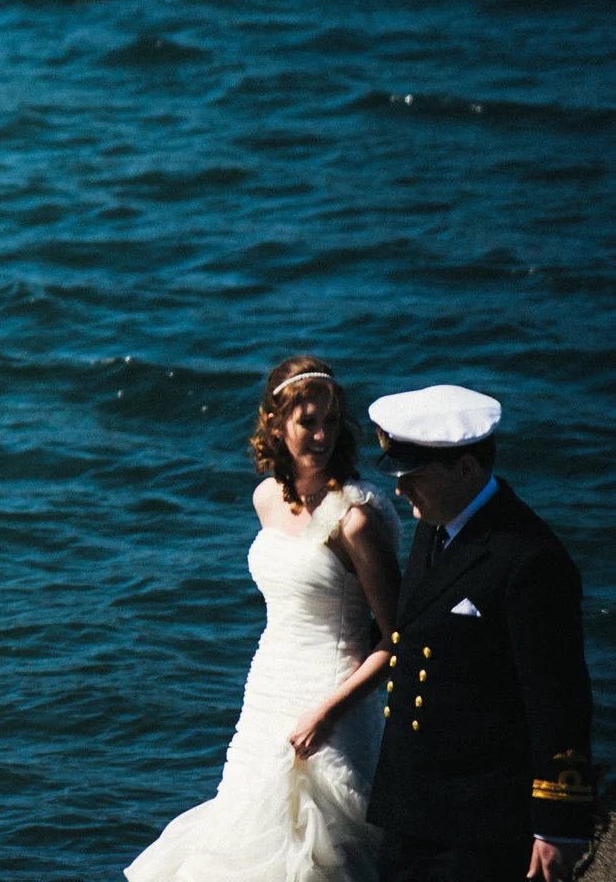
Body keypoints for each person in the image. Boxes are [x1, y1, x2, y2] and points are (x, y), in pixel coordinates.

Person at [129, 355, 402, 882]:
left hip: (332, 702)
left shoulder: (355, 519)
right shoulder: (266, 498)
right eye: (307, 421)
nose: (321, 435)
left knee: (317, 854)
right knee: (243, 837)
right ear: (276, 423)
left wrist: (326, 713)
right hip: (267, 693)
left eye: (329, 421)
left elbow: (398, 642)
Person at [364, 384, 598, 882]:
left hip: (479, 823)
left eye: (414, 475)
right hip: (410, 809)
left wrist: (558, 825)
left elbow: (559, 701)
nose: (401, 490)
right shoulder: (435, 524)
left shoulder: (529, 559)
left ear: (466, 469)